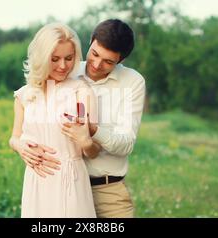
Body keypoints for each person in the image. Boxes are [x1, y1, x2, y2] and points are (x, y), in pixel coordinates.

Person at [28, 19, 146, 218]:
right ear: (90, 41)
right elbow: (32, 121)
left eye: (108, 62)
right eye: (95, 54)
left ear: (121, 60)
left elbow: (126, 144)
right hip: (59, 188)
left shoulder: (132, 82)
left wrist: (91, 129)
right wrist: (20, 145)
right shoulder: (66, 69)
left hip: (107, 193)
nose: (97, 64)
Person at [9, 22, 101, 218]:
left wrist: (85, 142)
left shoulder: (81, 91)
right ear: (41, 58)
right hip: (36, 181)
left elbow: (93, 152)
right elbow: (14, 138)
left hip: (71, 181)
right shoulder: (24, 95)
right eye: (55, 58)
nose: (63, 66)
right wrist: (20, 147)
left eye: (69, 58)